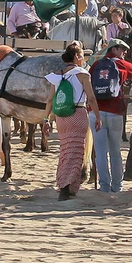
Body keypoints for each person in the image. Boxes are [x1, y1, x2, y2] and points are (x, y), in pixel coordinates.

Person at [89, 40, 132, 193]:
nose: (125, 53)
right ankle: (117, 186)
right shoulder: (122, 64)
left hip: (95, 112)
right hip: (115, 111)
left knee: (100, 152)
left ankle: (104, 186)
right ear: (114, 49)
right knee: (115, 151)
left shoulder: (96, 65)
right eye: (123, 50)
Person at [42, 42, 96, 201]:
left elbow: (50, 100)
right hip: (78, 113)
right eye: (82, 55)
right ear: (77, 57)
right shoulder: (83, 74)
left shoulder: (57, 75)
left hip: (61, 116)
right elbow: (91, 98)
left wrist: (46, 120)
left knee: (65, 151)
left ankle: (62, 183)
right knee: (77, 151)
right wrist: (98, 116)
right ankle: (68, 187)